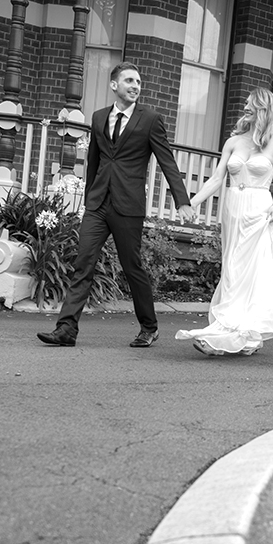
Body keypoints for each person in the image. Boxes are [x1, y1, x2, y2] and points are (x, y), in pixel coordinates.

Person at [37, 62, 194, 348]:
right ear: (114, 85)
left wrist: (182, 200)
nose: (135, 86)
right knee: (83, 263)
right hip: (98, 205)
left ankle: (149, 326)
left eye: (138, 82)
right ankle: (66, 329)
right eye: (129, 81)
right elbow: (95, 162)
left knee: (132, 266)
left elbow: (167, 160)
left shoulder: (150, 120)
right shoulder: (98, 118)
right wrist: (89, 199)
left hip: (127, 205)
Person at [175, 87, 273, 356]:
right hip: (232, 210)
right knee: (231, 269)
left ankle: (242, 335)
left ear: (263, 108)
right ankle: (227, 331)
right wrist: (190, 202)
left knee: (252, 273)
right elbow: (217, 179)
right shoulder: (233, 142)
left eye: (250, 102)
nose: (244, 105)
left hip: (260, 212)